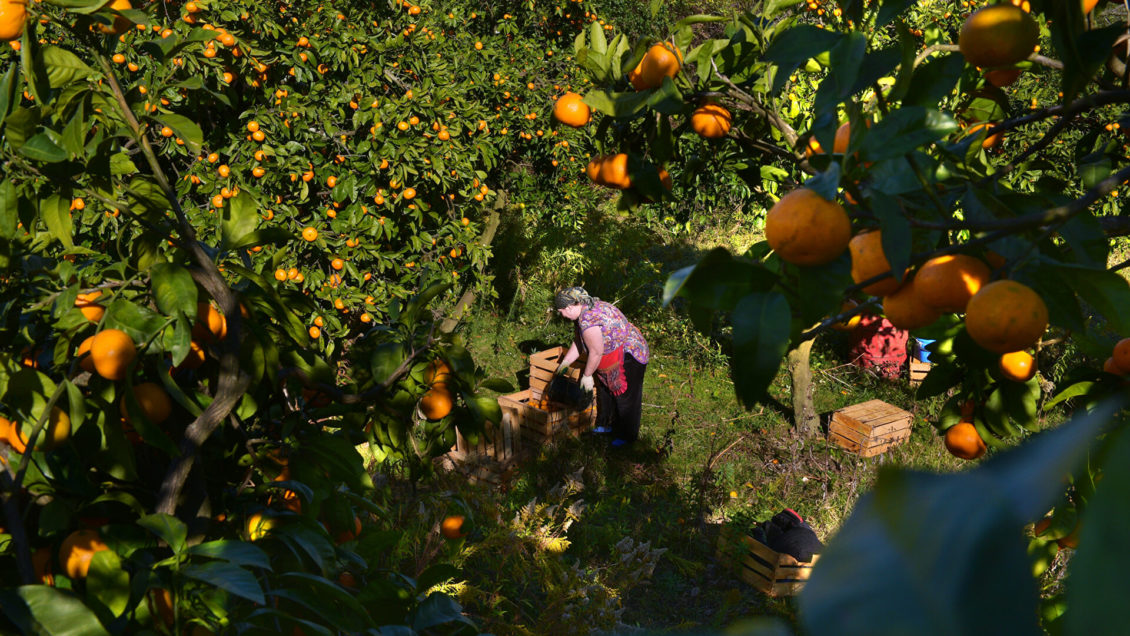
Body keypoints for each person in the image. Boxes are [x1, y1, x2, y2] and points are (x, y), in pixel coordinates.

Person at [553, 287, 649, 448]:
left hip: (630, 353)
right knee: (605, 388)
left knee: (626, 397)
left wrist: (586, 376)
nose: (562, 315)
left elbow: (596, 352)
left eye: (561, 311)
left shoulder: (588, 319)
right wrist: (565, 363)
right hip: (610, 354)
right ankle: (606, 425)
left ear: (569, 307)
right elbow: (580, 342)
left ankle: (627, 437)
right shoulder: (584, 309)